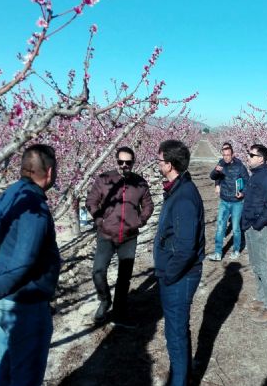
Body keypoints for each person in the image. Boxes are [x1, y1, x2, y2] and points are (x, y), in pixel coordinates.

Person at [0, 144, 60, 386]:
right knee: (26, 374)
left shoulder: (9, 196)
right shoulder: (34, 209)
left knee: (6, 366)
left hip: (5, 300)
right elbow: (23, 263)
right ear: (50, 172)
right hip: (23, 305)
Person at [153, 139, 205, 386]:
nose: (158, 164)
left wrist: (168, 274)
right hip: (178, 274)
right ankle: (181, 374)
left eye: (160, 160)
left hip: (180, 276)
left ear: (171, 164)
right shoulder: (178, 188)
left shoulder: (183, 197)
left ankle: (180, 380)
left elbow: (185, 249)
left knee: (175, 333)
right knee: (177, 330)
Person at [86, 146, 154, 325]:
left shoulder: (140, 183)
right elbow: (91, 201)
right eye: (120, 162)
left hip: (129, 237)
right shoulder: (104, 180)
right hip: (106, 234)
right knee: (98, 271)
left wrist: (140, 221)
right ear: (116, 161)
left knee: (124, 277)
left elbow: (148, 205)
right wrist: (100, 220)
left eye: (128, 162)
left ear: (133, 163)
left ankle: (119, 310)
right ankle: (104, 300)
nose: (124, 165)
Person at [241, 144, 267, 324]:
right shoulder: (254, 176)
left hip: (260, 228)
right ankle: (261, 297)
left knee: (262, 266)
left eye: (251, 154)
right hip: (250, 225)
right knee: (255, 265)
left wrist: (257, 225)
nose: (247, 157)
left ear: (261, 159)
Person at [207, 142, 249, 261]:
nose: (225, 157)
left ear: (233, 155)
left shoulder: (240, 166)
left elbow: (247, 181)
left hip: (237, 202)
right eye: (224, 155)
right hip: (224, 201)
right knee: (220, 227)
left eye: (228, 155)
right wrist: (216, 171)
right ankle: (218, 253)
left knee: (236, 228)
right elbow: (213, 176)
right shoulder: (221, 164)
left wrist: (243, 193)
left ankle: (236, 250)